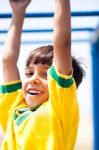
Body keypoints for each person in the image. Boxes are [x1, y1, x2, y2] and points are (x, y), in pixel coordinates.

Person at [0, 0, 84, 149]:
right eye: (29, 73)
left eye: (45, 75)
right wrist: (18, 12)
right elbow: (8, 61)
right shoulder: (15, 109)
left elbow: (62, 44)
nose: (33, 79)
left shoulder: (59, 109)